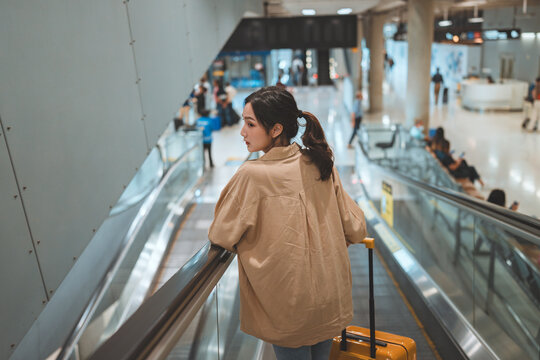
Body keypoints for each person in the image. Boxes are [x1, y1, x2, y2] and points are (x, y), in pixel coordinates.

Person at [208, 86, 367, 360]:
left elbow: (222, 234)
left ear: (276, 129)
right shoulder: (319, 162)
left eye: (250, 124)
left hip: (289, 304)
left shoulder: (252, 176)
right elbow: (355, 227)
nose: (242, 132)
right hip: (330, 296)